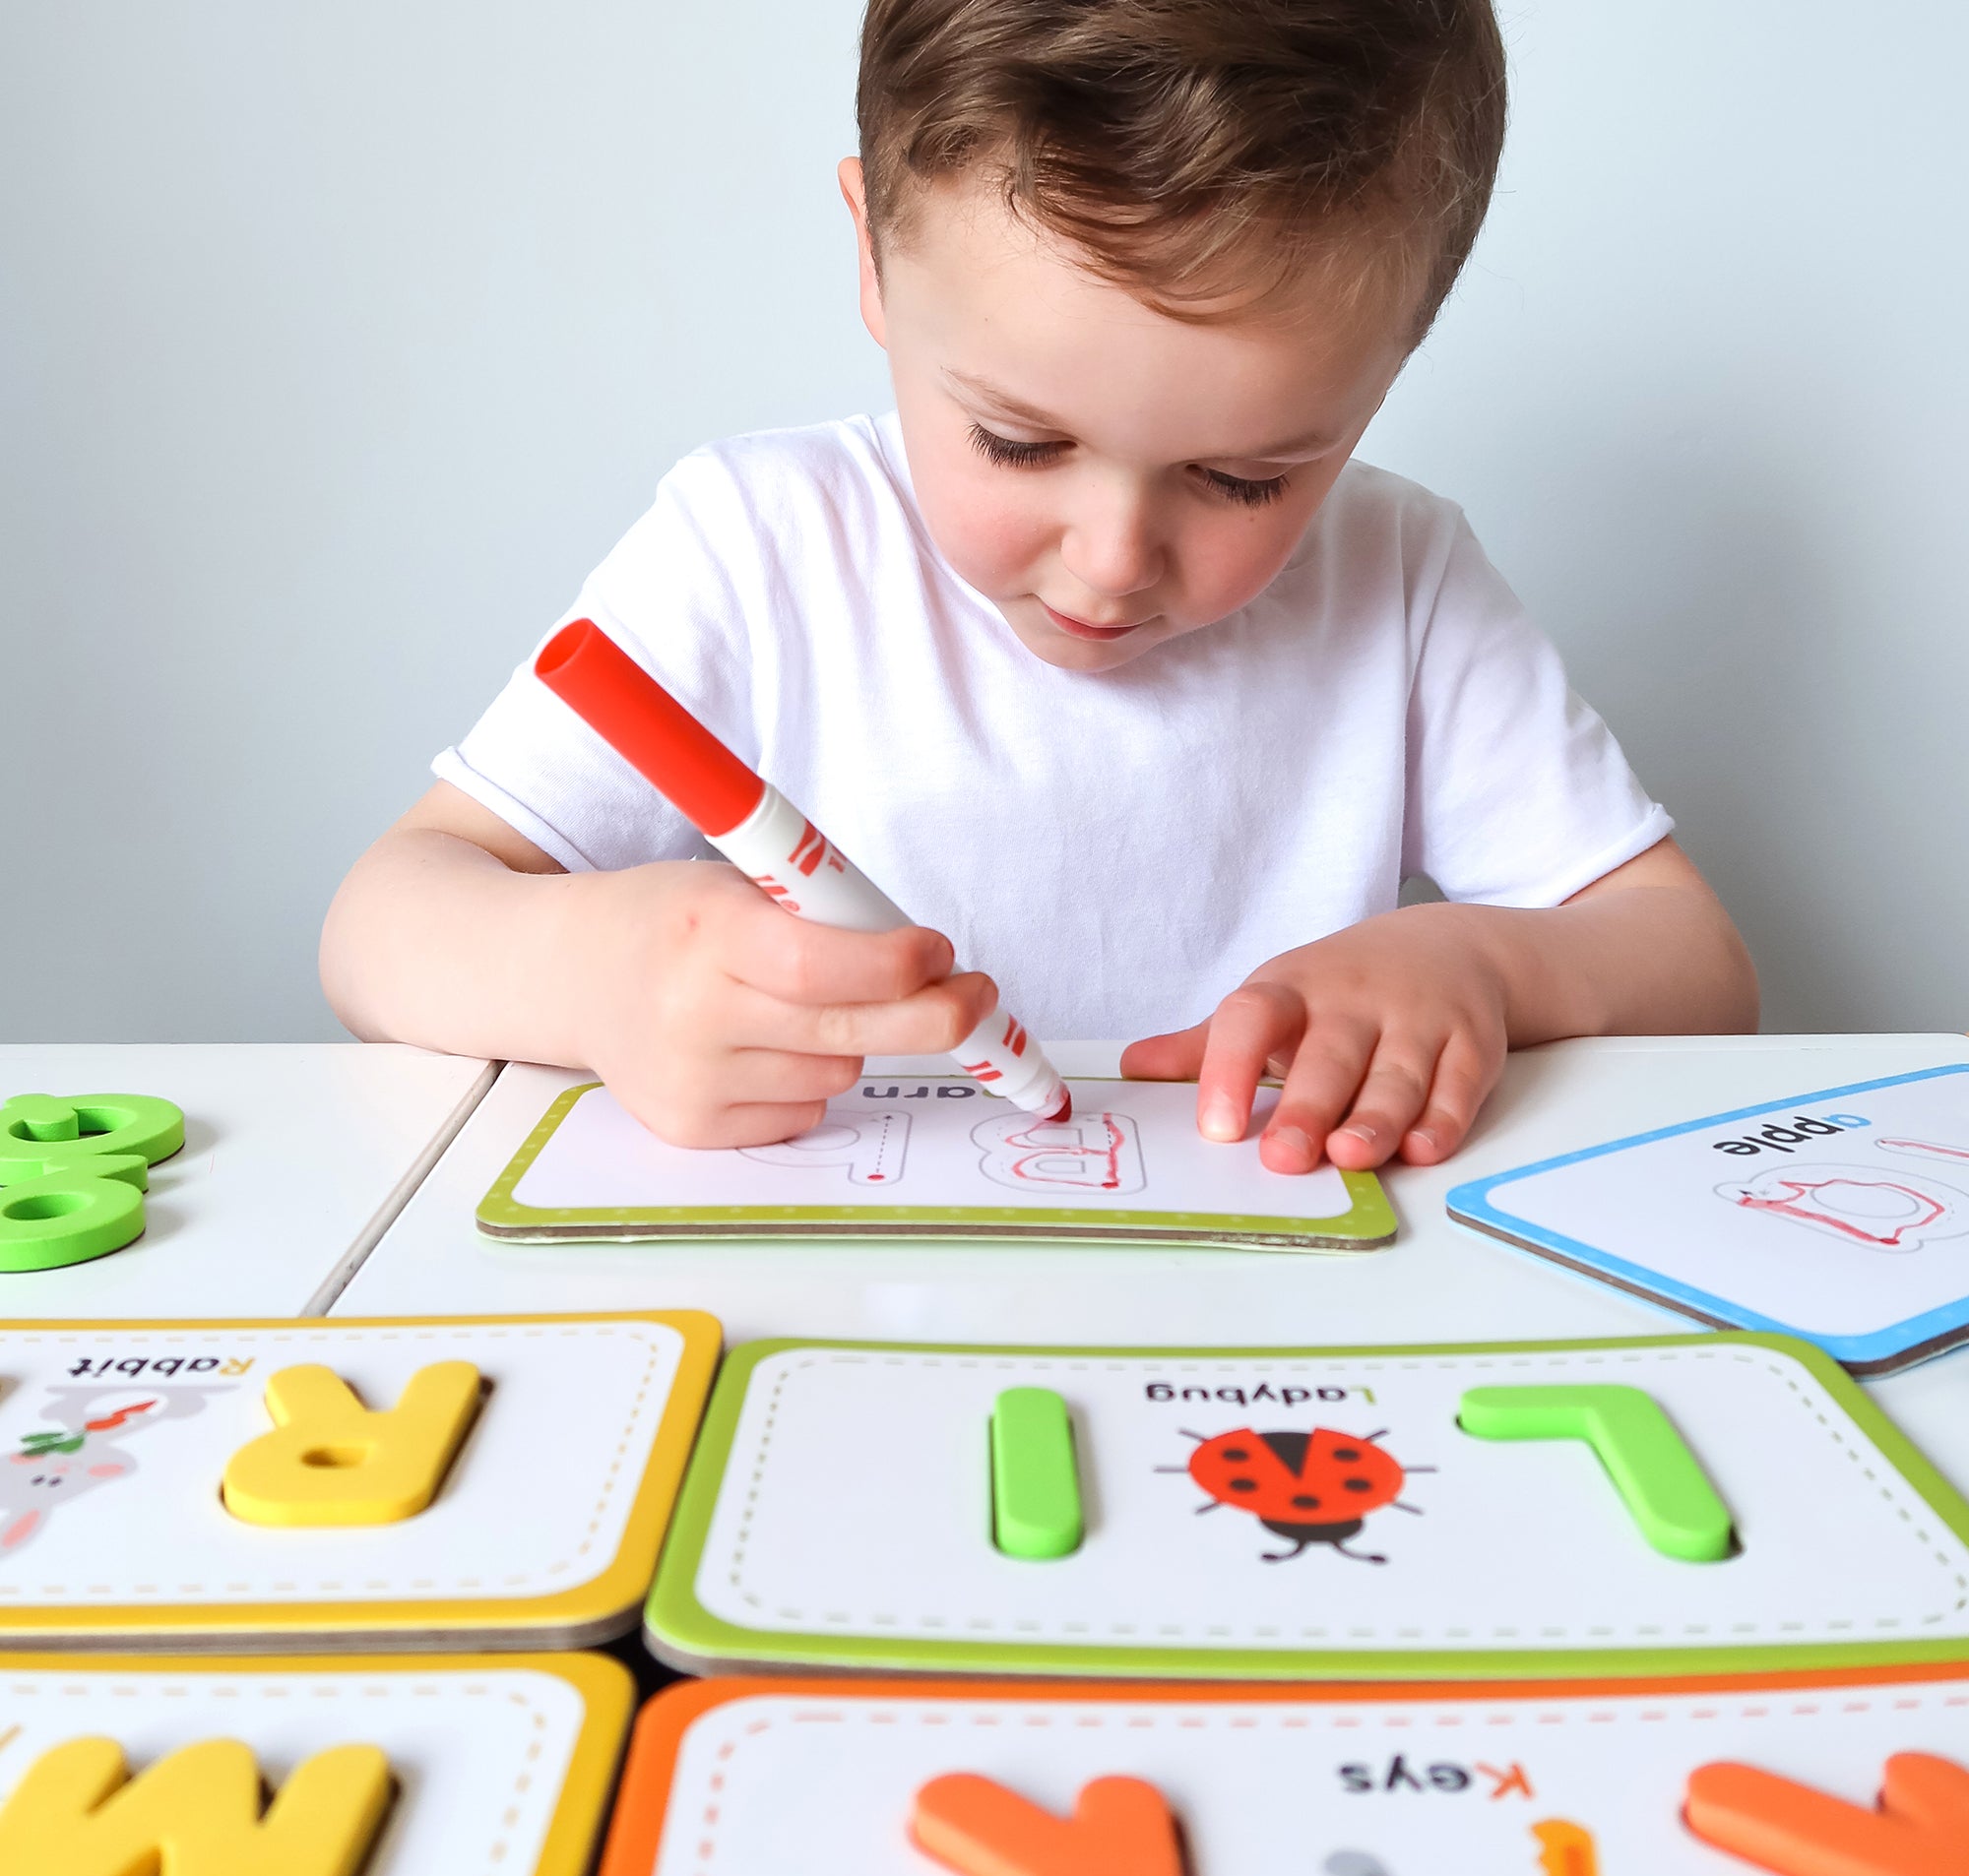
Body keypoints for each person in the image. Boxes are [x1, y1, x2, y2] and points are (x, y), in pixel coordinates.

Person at [322, 0, 1755, 1174]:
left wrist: (1485, 969)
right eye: (1020, 440)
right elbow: (384, 918)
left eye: (1246, 477)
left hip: (1259, 1338)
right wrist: (599, 977)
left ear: (1392, 365)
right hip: (832, 1323)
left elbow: (1697, 969)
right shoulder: (760, 546)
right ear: (875, 258)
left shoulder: (1405, 582)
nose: (1113, 558)